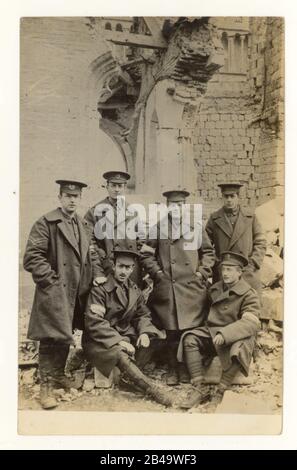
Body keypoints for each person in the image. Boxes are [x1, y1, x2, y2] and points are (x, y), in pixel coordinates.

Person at [23, 180, 102, 409]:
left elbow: (91, 255)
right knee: (50, 336)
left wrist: (96, 276)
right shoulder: (47, 223)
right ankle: (46, 387)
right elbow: (32, 257)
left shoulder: (83, 224)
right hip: (56, 291)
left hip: (77, 292)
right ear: (59, 197)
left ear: (80, 198)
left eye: (76, 196)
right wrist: (52, 282)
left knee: (64, 332)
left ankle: (57, 374)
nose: (72, 200)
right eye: (67, 196)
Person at [82, 249, 174, 407]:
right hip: (100, 340)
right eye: (120, 266)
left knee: (156, 338)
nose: (124, 271)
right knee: (118, 352)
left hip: (126, 335)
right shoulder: (100, 288)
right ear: (114, 266)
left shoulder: (134, 289)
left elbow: (142, 315)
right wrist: (119, 341)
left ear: (133, 269)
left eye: (128, 268)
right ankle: (151, 389)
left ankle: (128, 377)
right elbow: (95, 322)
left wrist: (144, 332)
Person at [141, 190, 215, 386]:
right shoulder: (158, 228)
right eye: (173, 204)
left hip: (191, 288)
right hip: (168, 287)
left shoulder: (195, 228)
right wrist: (158, 274)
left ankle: (185, 369)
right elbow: (146, 254)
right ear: (167, 206)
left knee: (188, 329)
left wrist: (201, 272)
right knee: (171, 330)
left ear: (185, 206)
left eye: (180, 204)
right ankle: (173, 368)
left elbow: (208, 252)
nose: (177, 208)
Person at [179, 251, 261, 409]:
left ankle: (221, 390)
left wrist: (226, 334)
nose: (225, 273)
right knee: (189, 338)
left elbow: (250, 324)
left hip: (236, 335)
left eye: (230, 269)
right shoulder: (215, 289)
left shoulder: (249, 294)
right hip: (213, 332)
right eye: (223, 269)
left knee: (242, 348)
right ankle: (199, 387)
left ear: (239, 272)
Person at [84, 171, 143, 286]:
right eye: (113, 185)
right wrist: (103, 259)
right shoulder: (94, 212)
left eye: (120, 186)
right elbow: (89, 243)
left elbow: (141, 241)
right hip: (106, 268)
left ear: (125, 188)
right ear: (107, 186)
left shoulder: (133, 212)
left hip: (129, 270)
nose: (116, 189)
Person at [205, 182, 266, 293]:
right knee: (224, 306)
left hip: (246, 271)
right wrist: (217, 264)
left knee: (249, 304)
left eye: (232, 196)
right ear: (222, 197)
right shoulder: (214, 219)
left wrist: (253, 263)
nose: (229, 200)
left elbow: (260, 241)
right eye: (226, 196)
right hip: (224, 272)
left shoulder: (250, 217)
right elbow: (206, 246)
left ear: (238, 197)